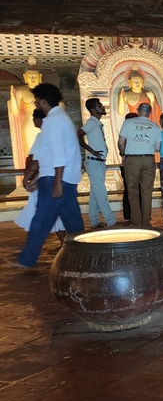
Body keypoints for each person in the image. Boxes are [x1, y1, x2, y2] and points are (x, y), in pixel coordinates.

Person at [14, 83, 85, 269]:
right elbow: (50, 155)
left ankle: (27, 259)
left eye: (36, 99)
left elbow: (58, 154)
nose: (35, 102)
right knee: (72, 221)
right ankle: (86, 254)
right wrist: (38, 179)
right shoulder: (61, 119)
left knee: (41, 220)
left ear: (43, 101)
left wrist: (56, 183)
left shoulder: (52, 121)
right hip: (63, 177)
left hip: (56, 178)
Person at [15, 109, 66, 245]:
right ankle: (63, 243)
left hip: (45, 180)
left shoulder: (42, 136)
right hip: (57, 178)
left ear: (39, 120)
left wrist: (27, 179)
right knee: (54, 213)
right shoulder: (57, 136)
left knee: (40, 212)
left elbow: (36, 161)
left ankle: (32, 246)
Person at [118, 102, 162, 228]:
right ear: (150, 112)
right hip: (148, 159)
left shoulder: (128, 123)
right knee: (147, 192)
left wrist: (123, 153)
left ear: (138, 110)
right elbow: (158, 148)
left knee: (132, 192)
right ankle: (146, 223)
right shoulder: (155, 126)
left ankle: (137, 224)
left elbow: (121, 142)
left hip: (132, 159)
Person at [77, 97, 116, 228]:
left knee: (95, 193)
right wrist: (91, 150)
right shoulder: (92, 123)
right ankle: (111, 221)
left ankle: (94, 222)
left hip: (98, 162)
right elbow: (78, 134)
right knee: (101, 193)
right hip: (94, 162)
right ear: (93, 109)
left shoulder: (96, 123)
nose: (103, 107)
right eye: (100, 105)